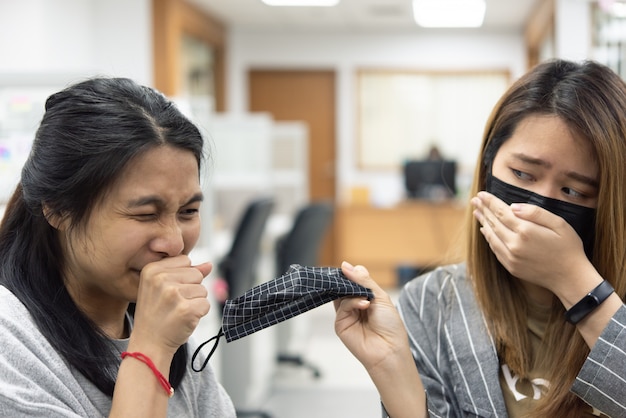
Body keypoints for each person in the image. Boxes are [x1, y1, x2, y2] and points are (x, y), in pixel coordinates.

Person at [335, 59, 626, 418]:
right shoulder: (430, 302)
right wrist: (394, 373)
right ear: (488, 170)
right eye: (522, 173)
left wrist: (576, 283)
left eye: (575, 191)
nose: (541, 210)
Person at [0, 77, 236, 417]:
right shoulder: (13, 347)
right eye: (145, 214)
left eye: (188, 212)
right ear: (58, 209)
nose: (173, 243)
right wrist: (151, 349)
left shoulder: (158, 328)